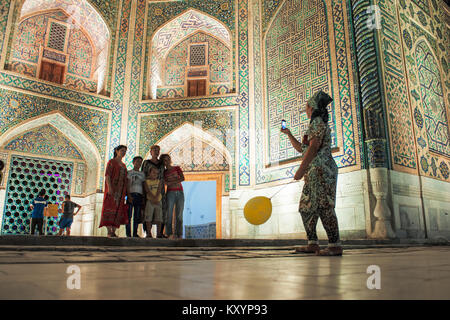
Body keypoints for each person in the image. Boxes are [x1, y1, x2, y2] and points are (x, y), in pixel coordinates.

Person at [281, 90, 342, 256]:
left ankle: (335, 245)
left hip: (322, 170)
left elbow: (314, 148)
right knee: (306, 207)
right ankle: (312, 243)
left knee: (324, 206)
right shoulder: (312, 126)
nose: (306, 110)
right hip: (312, 174)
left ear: (312, 108)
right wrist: (289, 134)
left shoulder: (317, 122)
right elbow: (303, 148)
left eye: (307, 107)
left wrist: (300, 170)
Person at [99, 145, 129, 237]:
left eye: (125, 151)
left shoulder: (124, 165)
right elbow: (107, 175)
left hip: (120, 192)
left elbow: (125, 179)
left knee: (118, 210)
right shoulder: (111, 162)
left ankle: (113, 231)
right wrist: (110, 188)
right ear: (116, 151)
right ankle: (109, 231)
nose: (123, 153)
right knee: (109, 209)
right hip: (112, 190)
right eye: (122, 150)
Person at [142, 145, 167, 238]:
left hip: (160, 191)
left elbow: (163, 176)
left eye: (158, 150)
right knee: (148, 212)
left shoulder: (161, 164)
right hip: (149, 190)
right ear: (150, 152)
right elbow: (143, 177)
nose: (156, 152)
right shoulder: (146, 163)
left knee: (161, 211)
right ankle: (148, 233)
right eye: (154, 150)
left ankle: (159, 233)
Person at [160, 154, 185, 239]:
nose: (166, 161)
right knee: (169, 214)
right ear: (163, 162)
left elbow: (182, 178)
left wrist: (170, 182)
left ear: (170, 160)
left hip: (180, 192)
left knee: (179, 215)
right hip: (170, 193)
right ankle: (169, 233)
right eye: (164, 160)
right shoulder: (163, 172)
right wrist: (175, 181)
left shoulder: (176, 168)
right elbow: (165, 183)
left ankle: (179, 234)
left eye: (168, 159)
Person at [126, 156, 145, 237]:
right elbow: (127, 184)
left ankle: (135, 233)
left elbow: (144, 185)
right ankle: (128, 234)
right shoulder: (129, 172)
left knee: (137, 216)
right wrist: (128, 195)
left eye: (140, 162)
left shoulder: (142, 174)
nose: (139, 163)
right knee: (129, 216)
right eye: (137, 161)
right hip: (131, 195)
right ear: (133, 162)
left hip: (139, 195)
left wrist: (144, 197)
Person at [143, 167, 163, 238]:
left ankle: (158, 234)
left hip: (158, 201)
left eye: (157, 173)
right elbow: (147, 190)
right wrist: (153, 198)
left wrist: (156, 198)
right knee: (148, 218)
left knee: (159, 218)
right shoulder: (146, 181)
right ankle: (149, 233)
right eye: (153, 172)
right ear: (149, 173)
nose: (155, 174)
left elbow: (159, 190)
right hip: (150, 201)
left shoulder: (159, 181)